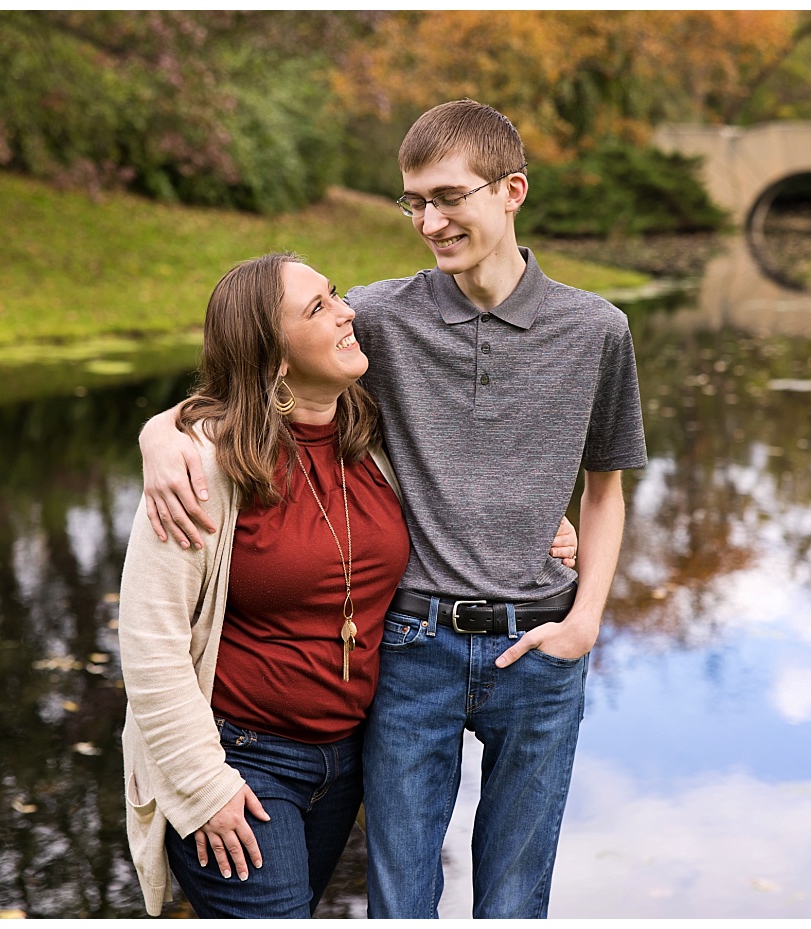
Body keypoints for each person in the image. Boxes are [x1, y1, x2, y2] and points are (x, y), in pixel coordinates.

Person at [138, 100, 646, 918]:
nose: (430, 221)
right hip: (411, 648)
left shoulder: (597, 331)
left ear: (512, 190)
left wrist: (586, 619)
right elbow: (253, 371)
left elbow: (606, 486)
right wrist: (159, 433)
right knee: (402, 898)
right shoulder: (375, 317)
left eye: (449, 197)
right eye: (414, 202)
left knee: (517, 899)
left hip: (543, 647)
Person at [119, 252, 578, 918]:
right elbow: (149, 640)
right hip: (240, 760)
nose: (347, 311)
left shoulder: (369, 439)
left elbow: (462, 488)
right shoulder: (199, 465)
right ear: (274, 358)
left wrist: (541, 522)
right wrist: (203, 785)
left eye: (333, 293)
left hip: (342, 766)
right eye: (318, 308)